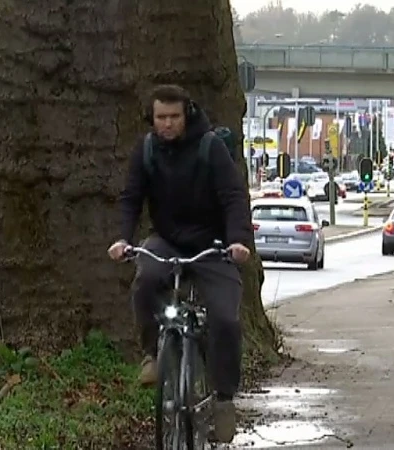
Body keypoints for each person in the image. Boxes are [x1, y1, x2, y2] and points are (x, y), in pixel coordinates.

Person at [107, 84, 252, 443]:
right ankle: (152, 355)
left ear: (185, 114)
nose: (167, 124)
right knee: (145, 281)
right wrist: (123, 239)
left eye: (174, 117)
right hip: (167, 239)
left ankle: (222, 400)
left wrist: (237, 241)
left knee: (224, 318)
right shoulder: (147, 150)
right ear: (152, 118)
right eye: (161, 118)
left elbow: (234, 197)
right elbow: (131, 198)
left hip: (212, 245)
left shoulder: (210, 148)